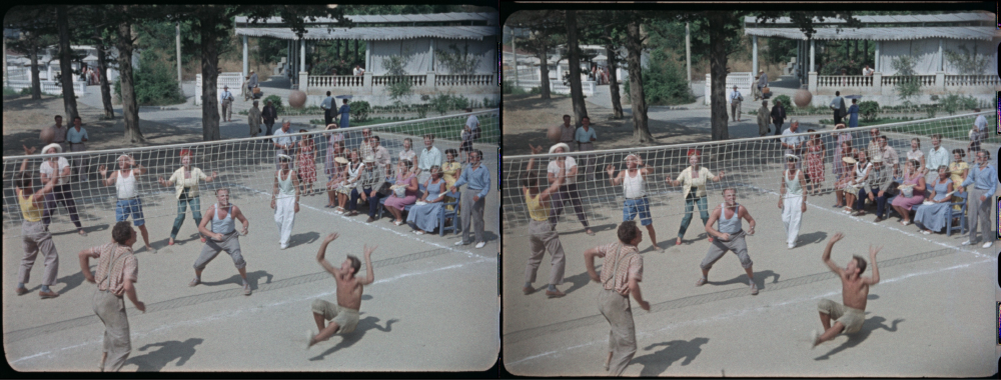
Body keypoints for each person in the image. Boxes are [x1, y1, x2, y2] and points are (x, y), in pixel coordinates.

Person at [582, 221, 650, 375]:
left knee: (616, 328)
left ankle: (608, 360)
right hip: (617, 301)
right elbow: (633, 285)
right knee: (629, 346)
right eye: (639, 232)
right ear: (633, 240)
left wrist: (593, 275)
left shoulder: (612, 246)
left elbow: (588, 252)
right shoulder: (635, 257)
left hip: (602, 298)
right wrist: (642, 303)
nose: (641, 232)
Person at [78, 221, 146, 371]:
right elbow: (128, 286)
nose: (136, 232)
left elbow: (82, 254)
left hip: (97, 298)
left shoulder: (107, 247)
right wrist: (137, 303)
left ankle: (103, 361)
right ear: (128, 240)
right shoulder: (130, 258)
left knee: (110, 329)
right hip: (111, 302)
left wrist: (88, 275)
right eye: (133, 232)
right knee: (124, 347)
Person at [307, 232, 376, 348]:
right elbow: (320, 259)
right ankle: (324, 333)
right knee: (317, 304)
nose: (341, 264)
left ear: (352, 270)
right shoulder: (338, 275)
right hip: (339, 310)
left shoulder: (357, 282)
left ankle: (314, 341)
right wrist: (325, 242)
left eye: (345, 263)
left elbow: (370, 279)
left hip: (351, 316)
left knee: (335, 322)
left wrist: (367, 258)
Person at [811, 232, 880, 348]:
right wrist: (831, 243)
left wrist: (873, 258)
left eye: (852, 263)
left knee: (840, 323)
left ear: (857, 270)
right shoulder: (843, 275)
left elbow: (876, 279)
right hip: (844, 310)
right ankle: (829, 334)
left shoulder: (862, 281)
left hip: (857, 316)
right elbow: (826, 259)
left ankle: (819, 340)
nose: (848, 264)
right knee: (823, 303)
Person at [522, 144, 569, 297]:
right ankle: (552, 288)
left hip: (532, 228)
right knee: (558, 256)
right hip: (544, 227)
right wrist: (562, 163)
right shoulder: (543, 196)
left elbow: (528, 173)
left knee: (534, 257)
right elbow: (560, 181)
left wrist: (533, 155)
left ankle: (527, 284)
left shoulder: (526, 191)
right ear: (536, 182)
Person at [15, 145, 62, 298]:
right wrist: (55, 162)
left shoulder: (19, 192)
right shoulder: (36, 196)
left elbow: (20, 176)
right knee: (52, 257)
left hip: (25, 229)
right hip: (37, 228)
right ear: (29, 183)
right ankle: (45, 289)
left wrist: (27, 156)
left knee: (27, 258)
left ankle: (20, 285)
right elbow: (53, 182)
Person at [190, 188, 252, 295]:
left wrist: (245, 228)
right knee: (198, 263)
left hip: (230, 237)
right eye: (222, 196)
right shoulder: (211, 210)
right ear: (217, 197)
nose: (225, 198)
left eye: (227, 195)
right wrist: (214, 235)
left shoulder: (234, 209)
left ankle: (245, 282)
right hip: (214, 240)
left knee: (238, 258)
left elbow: (244, 220)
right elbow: (201, 227)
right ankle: (198, 278)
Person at [699, 188, 759, 295]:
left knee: (745, 257)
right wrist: (720, 235)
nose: (731, 197)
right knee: (705, 263)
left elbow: (751, 220)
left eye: (733, 195)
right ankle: (704, 277)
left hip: (737, 237)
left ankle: (752, 281)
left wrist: (752, 227)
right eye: (729, 196)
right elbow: (708, 227)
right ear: (724, 197)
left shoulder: (740, 208)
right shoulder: (718, 209)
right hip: (721, 240)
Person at [157, 150, 218, 246]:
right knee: (180, 217)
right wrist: (163, 182)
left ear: (191, 160)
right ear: (182, 160)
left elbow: (206, 178)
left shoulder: (197, 170)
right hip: (182, 195)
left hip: (194, 195)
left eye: (188, 159)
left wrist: (212, 177)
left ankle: (201, 233)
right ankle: (172, 236)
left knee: (197, 215)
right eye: (184, 159)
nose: (186, 161)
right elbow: (169, 183)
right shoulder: (178, 172)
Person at [99, 155, 155, 253]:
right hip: (121, 203)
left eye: (123, 161)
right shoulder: (116, 174)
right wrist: (103, 175)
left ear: (128, 162)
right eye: (119, 161)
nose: (120, 162)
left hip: (134, 201)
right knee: (118, 228)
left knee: (141, 226)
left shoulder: (134, 172)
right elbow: (106, 184)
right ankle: (111, 250)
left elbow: (144, 170)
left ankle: (147, 245)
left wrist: (136, 164)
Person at [606, 154, 662, 252]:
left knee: (648, 225)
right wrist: (610, 174)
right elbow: (613, 183)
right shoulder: (623, 173)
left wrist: (643, 163)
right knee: (625, 227)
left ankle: (655, 245)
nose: (627, 162)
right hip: (629, 202)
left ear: (636, 162)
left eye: (630, 160)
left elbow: (651, 170)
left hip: (642, 201)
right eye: (626, 160)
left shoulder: (641, 171)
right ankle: (622, 249)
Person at [667, 150, 724, 245]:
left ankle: (709, 232)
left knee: (704, 215)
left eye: (696, 159)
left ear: (699, 159)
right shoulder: (685, 171)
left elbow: (714, 178)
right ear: (689, 160)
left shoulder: (704, 170)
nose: (694, 161)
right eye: (692, 159)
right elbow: (677, 182)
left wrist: (720, 176)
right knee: (688, 216)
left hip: (701, 194)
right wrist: (670, 182)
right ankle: (680, 235)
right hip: (689, 194)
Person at [39, 143, 86, 236]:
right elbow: (43, 179)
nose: (53, 152)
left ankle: (79, 228)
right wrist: (51, 179)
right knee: (48, 209)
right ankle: (44, 228)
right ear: (47, 154)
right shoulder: (43, 164)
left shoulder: (62, 160)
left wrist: (56, 176)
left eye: (54, 150)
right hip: (52, 188)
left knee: (71, 207)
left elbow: (67, 171)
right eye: (50, 151)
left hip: (64, 186)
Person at [548, 143, 594, 236]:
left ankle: (587, 228)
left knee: (579, 207)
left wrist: (562, 176)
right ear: (554, 153)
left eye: (561, 150)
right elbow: (550, 178)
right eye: (558, 151)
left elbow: (575, 171)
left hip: (572, 186)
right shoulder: (552, 164)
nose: (560, 152)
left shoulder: (570, 159)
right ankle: (550, 228)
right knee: (555, 209)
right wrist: (560, 178)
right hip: (559, 188)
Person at [958, 150, 996, 248]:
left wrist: (987, 195)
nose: (977, 158)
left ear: (985, 158)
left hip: (984, 193)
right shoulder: (975, 167)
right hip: (975, 192)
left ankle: (987, 239)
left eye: (979, 157)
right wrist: (962, 185)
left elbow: (994, 186)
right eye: (977, 156)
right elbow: (970, 178)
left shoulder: (991, 169)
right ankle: (972, 239)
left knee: (984, 218)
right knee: (971, 216)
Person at [452, 150, 490, 249]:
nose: (470, 159)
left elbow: (487, 185)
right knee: (464, 216)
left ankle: (480, 239)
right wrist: (455, 185)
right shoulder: (468, 167)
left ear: (478, 158)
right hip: (468, 192)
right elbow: (463, 178)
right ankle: (465, 239)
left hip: (478, 193)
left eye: (473, 157)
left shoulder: (484, 169)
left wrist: (480, 195)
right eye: (470, 157)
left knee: (477, 218)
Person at [915, 166, 955, 235]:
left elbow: (949, 197)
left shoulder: (949, 182)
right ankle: (925, 226)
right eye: (939, 171)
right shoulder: (937, 181)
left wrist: (938, 201)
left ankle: (931, 228)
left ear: (946, 173)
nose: (940, 173)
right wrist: (929, 199)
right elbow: (934, 193)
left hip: (944, 202)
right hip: (935, 200)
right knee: (921, 207)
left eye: (942, 172)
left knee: (928, 209)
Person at [407, 165, 447, 235]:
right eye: (431, 172)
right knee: (414, 207)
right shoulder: (430, 180)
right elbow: (426, 193)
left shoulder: (442, 182)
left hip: (436, 202)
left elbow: (442, 197)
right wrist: (421, 199)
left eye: (435, 172)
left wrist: (431, 201)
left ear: (439, 173)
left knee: (420, 209)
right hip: (428, 200)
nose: (433, 174)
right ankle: (417, 226)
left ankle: (423, 228)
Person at [271, 153, 299, 250]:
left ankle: (285, 241)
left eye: (284, 161)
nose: (282, 163)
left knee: (288, 218)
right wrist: (273, 199)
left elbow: (297, 189)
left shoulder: (293, 174)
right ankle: (284, 236)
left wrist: (296, 203)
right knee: (278, 218)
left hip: (290, 196)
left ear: (288, 162)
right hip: (281, 195)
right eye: (280, 161)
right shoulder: (277, 173)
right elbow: (275, 186)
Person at [779, 155, 808, 249]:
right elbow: (783, 186)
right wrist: (780, 199)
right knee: (785, 218)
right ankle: (791, 235)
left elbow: (804, 189)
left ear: (795, 162)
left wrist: (803, 203)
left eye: (791, 161)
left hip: (798, 196)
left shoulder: (800, 174)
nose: (789, 163)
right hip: (788, 195)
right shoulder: (784, 172)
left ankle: (792, 241)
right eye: (788, 161)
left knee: (795, 219)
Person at [348, 156, 388, 223]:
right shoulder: (365, 170)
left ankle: (371, 216)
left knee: (373, 197)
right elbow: (359, 182)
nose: (368, 164)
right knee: (354, 191)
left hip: (379, 190)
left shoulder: (379, 168)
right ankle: (353, 210)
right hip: (368, 188)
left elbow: (382, 180)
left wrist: (375, 190)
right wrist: (361, 192)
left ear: (373, 163)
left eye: (370, 163)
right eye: (367, 163)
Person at [890, 159, 927, 225]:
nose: (909, 168)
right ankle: (904, 216)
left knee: (902, 203)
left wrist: (913, 186)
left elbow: (923, 188)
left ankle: (907, 219)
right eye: (908, 166)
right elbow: (904, 183)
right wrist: (902, 190)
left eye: (910, 166)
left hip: (917, 195)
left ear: (915, 167)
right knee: (894, 202)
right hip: (907, 194)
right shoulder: (907, 175)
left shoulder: (920, 176)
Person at [384, 160, 418, 225]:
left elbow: (415, 188)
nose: (400, 167)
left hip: (409, 195)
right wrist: (394, 190)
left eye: (402, 166)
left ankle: (399, 219)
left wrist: (406, 187)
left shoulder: (412, 176)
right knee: (387, 202)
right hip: (399, 194)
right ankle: (397, 217)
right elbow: (396, 184)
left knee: (395, 203)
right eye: (400, 166)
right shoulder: (399, 175)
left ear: (407, 167)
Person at [843, 151, 873, 215]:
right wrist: (853, 180)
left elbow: (867, 175)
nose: (861, 156)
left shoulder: (869, 165)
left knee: (854, 188)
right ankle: (847, 205)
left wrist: (858, 181)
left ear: (866, 156)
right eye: (860, 154)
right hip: (857, 179)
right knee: (848, 186)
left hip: (865, 181)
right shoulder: (857, 163)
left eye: (862, 154)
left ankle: (850, 207)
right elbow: (852, 173)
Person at [834, 141, 857, 208]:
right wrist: (840, 179)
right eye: (842, 146)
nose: (843, 148)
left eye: (845, 146)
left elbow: (852, 175)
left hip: (852, 178)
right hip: (848, 177)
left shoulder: (853, 154)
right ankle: (839, 201)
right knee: (837, 185)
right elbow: (845, 173)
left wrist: (844, 181)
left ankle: (841, 202)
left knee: (840, 186)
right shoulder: (843, 155)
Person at [67, 116, 90, 182]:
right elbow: (68, 140)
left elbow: (86, 138)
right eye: (76, 121)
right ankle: (81, 178)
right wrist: (73, 145)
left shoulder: (83, 130)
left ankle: (85, 177)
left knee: (83, 161)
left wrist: (84, 139)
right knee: (78, 161)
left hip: (81, 145)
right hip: (74, 146)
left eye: (79, 121)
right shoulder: (71, 130)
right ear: (74, 122)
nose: (77, 123)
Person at [575, 116, 598, 181]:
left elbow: (595, 137)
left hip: (590, 145)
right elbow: (577, 139)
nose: (585, 122)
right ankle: (590, 177)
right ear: (582, 122)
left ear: (588, 122)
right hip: (583, 145)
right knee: (586, 161)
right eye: (584, 121)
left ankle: (592, 175)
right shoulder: (579, 130)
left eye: (587, 121)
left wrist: (592, 139)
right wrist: (582, 143)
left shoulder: (591, 129)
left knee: (592, 160)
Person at [297, 130, 318, 196]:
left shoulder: (312, 141)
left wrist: (314, 157)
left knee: (311, 173)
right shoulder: (300, 143)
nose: (303, 136)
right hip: (303, 158)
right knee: (303, 173)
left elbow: (316, 150)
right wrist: (297, 160)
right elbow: (298, 152)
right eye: (302, 135)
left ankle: (311, 189)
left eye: (304, 135)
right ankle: (305, 189)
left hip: (310, 158)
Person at [804, 131, 825, 195]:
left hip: (818, 158)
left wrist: (823, 156)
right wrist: (804, 160)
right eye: (811, 136)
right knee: (811, 173)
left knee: (818, 173)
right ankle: (813, 189)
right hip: (811, 158)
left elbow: (824, 149)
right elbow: (806, 152)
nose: (812, 137)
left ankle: (819, 188)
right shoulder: (808, 143)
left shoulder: (820, 142)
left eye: (813, 136)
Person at [442, 148, 462, 213]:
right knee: (445, 200)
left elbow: (458, 177)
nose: (448, 157)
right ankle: (445, 216)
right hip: (445, 184)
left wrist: (456, 186)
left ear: (453, 156)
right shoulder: (444, 164)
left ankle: (450, 218)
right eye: (447, 156)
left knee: (451, 201)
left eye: (450, 156)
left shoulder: (457, 164)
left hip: (452, 184)